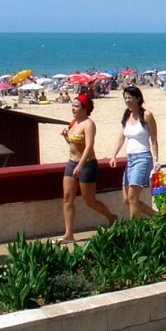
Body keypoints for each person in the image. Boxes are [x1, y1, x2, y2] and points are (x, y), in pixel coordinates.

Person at [57, 93, 117, 243]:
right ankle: (68, 233)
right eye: (72, 106)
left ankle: (112, 218)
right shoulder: (73, 123)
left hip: (87, 164)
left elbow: (89, 146)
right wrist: (66, 136)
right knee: (67, 198)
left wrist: (81, 165)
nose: (73, 109)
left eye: (76, 106)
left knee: (89, 200)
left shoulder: (88, 124)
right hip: (71, 162)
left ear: (85, 108)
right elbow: (73, 145)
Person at [109, 85, 161, 220]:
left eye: (129, 97)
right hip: (130, 159)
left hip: (143, 158)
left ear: (138, 98)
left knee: (133, 196)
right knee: (127, 199)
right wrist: (113, 155)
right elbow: (121, 137)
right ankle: (157, 217)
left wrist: (156, 160)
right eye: (125, 98)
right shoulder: (126, 116)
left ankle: (136, 232)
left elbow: (154, 139)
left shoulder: (146, 115)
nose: (127, 100)